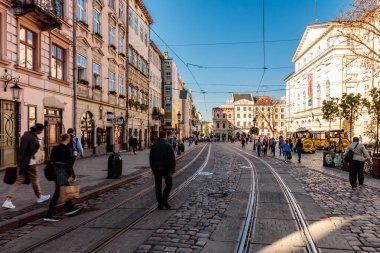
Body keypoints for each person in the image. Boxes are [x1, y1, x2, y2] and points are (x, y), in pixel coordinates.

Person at [3, 124, 50, 209]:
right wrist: (38, 146)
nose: (42, 132)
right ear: (38, 130)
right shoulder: (33, 138)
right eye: (41, 130)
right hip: (30, 163)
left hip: (22, 162)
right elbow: (32, 150)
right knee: (35, 180)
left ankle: (8, 200)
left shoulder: (25, 135)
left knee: (19, 181)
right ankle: (39, 197)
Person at [44, 134, 80, 222]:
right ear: (67, 139)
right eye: (69, 139)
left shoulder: (55, 148)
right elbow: (69, 164)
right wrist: (71, 175)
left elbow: (51, 160)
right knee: (57, 193)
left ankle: (70, 208)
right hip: (62, 172)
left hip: (56, 171)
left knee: (66, 189)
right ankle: (49, 215)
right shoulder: (68, 149)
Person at [149, 131, 176, 210]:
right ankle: (164, 200)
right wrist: (173, 169)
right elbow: (172, 158)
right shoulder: (168, 145)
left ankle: (160, 203)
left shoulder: (154, 146)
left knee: (158, 186)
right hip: (166, 168)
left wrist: (152, 168)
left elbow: (151, 158)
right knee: (169, 184)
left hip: (156, 168)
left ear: (159, 136)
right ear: (165, 136)